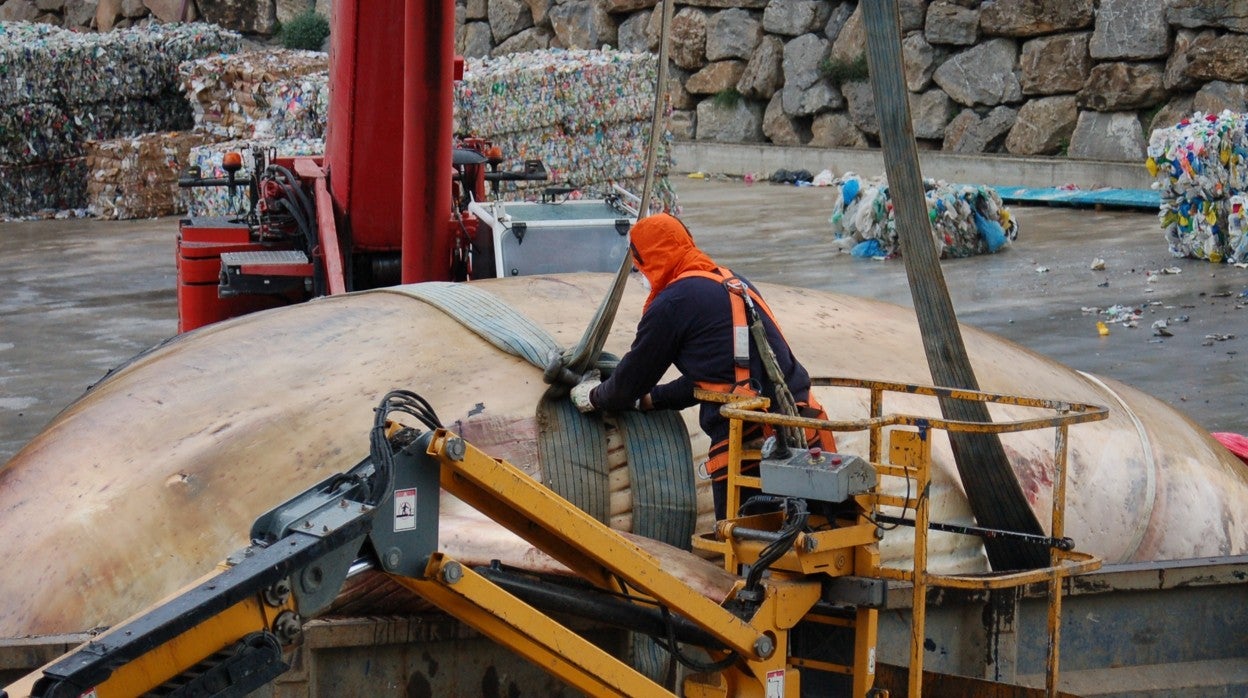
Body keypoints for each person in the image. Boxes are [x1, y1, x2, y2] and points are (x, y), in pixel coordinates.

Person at [569, 212, 836, 520]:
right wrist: (653, 399)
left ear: (650, 261)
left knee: (747, 546)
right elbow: (718, 377)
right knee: (819, 533)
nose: (641, 276)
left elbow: (628, 384)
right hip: (807, 432)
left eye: (639, 268)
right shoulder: (733, 282)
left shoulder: (672, 303)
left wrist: (592, 396)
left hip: (751, 450)